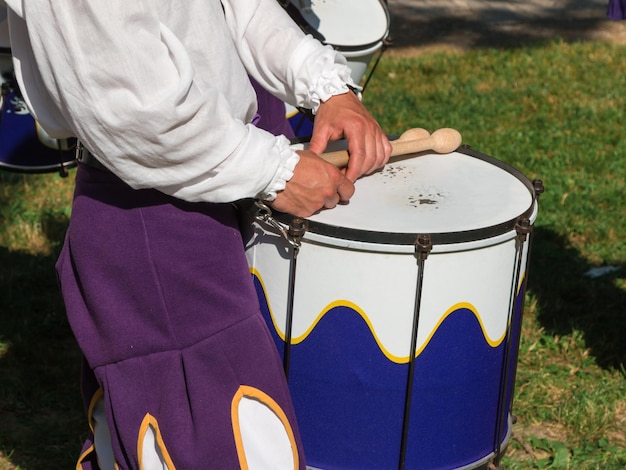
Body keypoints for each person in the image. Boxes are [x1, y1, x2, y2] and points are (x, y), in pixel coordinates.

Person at [3, 0, 391, 468]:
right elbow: (132, 114)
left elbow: (237, 8)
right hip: (151, 205)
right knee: (221, 442)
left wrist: (327, 88)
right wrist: (275, 170)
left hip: (228, 158)